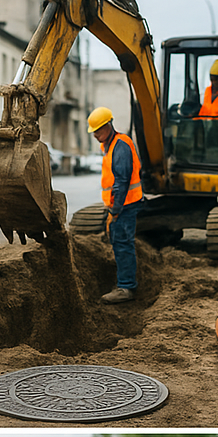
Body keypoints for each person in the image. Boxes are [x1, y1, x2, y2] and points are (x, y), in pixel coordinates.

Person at [88, 106, 143, 304]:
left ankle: (126, 287)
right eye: (93, 131)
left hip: (125, 205)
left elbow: (121, 181)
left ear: (108, 125)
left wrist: (115, 210)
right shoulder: (110, 145)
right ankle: (124, 282)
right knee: (120, 242)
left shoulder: (120, 146)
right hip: (121, 204)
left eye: (97, 130)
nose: (95, 135)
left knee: (122, 243)